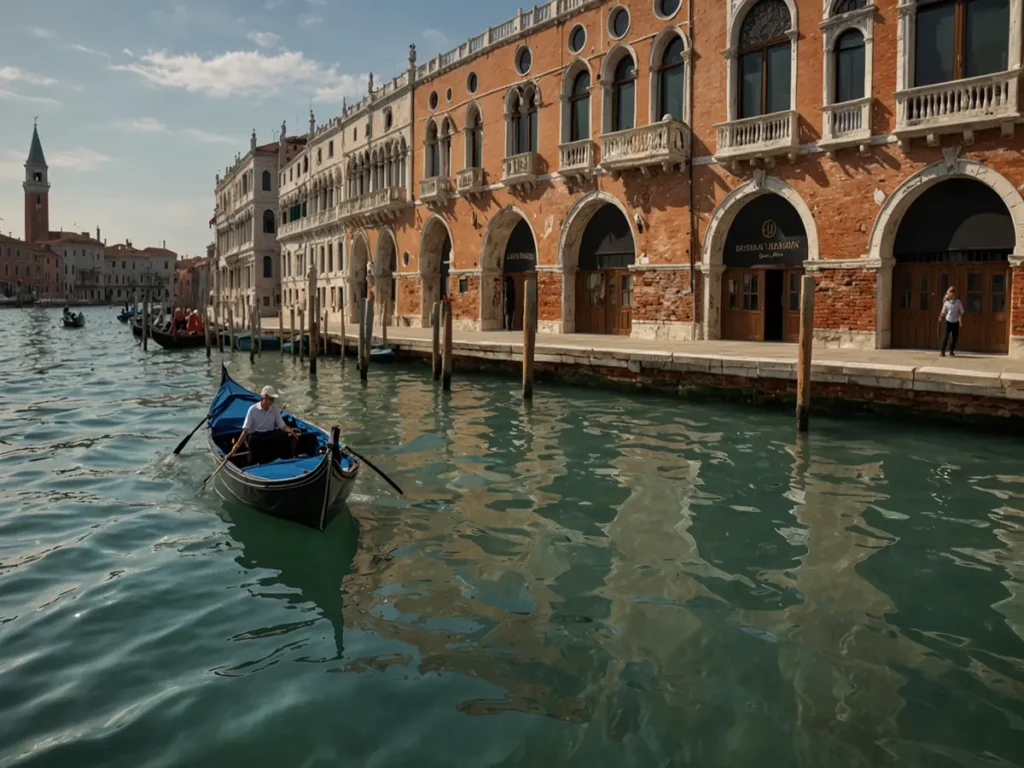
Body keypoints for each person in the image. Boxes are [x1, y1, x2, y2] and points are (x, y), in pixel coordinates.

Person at [224, 386, 300, 466]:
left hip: (269, 434)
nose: (272, 401)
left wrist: (291, 430)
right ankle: (253, 463)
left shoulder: (275, 409)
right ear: (264, 397)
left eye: (272, 399)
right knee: (252, 439)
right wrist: (235, 448)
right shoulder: (252, 410)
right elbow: (245, 431)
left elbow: (283, 426)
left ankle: (287, 459)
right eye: (271, 399)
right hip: (257, 436)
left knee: (283, 434)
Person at [939, 286, 965, 357]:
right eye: (950, 294)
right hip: (948, 321)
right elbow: (943, 311)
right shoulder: (946, 302)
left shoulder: (958, 302)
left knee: (954, 337)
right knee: (945, 336)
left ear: (954, 294)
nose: (951, 295)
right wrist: (941, 317)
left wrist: (960, 320)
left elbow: (961, 312)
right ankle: (942, 352)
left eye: (953, 294)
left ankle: (951, 351)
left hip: (955, 322)